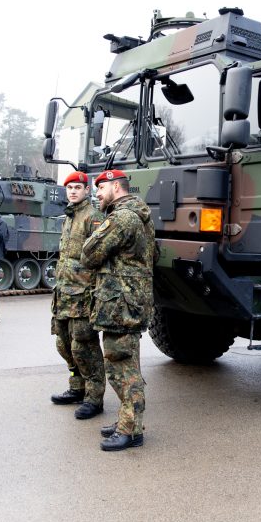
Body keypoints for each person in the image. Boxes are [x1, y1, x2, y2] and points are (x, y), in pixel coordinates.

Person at [83, 169, 155, 451]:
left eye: (100, 188)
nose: (97, 194)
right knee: (124, 364)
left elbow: (89, 253)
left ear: (115, 187)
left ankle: (131, 430)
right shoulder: (138, 216)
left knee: (122, 368)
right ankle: (128, 421)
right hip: (125, 302)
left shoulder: (123, 218)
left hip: (121, 304)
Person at [49, 171, 105, 420]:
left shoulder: (93, 217)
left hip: (83, 293)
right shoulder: (69, 217)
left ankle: (94, 398)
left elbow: (100, 256)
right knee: (63, 342)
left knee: (84, 345)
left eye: (78, 188)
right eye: (69, 187)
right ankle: (77, 388)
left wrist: (95, 292)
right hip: (63, 291)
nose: (72, 191)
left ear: (86, 191)